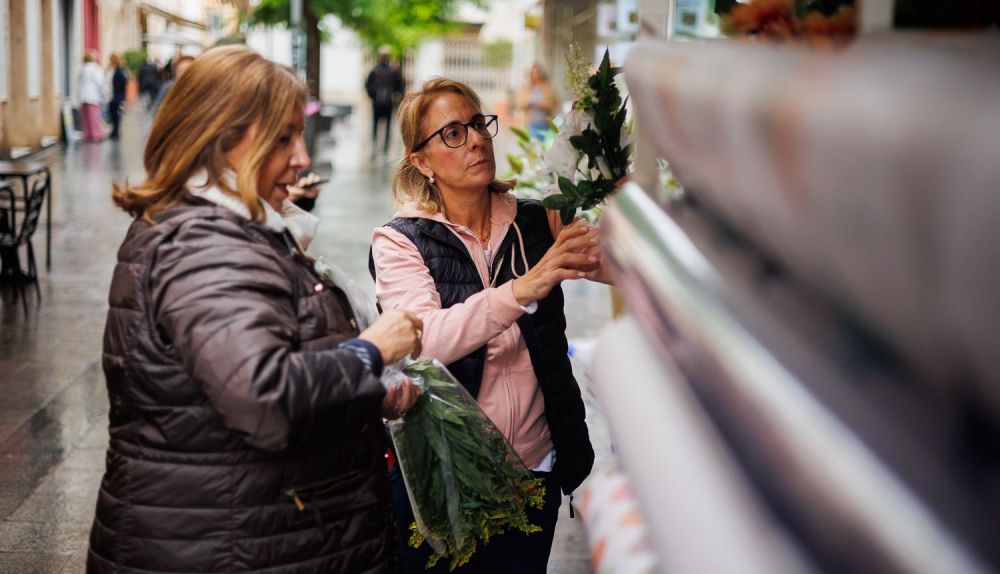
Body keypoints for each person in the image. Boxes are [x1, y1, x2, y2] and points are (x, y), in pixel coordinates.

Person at [87, 45, 424, 573]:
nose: (302, 157)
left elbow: (250, 370)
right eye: (283, 138)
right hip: (229, 545)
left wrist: (365, 395)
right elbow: (264, 398)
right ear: (220, 137)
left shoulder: (217, 230)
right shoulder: (206, 246)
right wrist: (371, 351)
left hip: (249, 534)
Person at [369, 78, 612, 573]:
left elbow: (626, 269)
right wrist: (524, 288)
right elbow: (425, 339)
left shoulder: (537, 221)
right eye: (453, 133)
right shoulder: (400, 241)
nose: (477, 140)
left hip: (533, 470)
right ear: (421, 162)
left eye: (478, 124)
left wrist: (619, 188)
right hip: (445, 472)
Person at [365, 45, 404, 160]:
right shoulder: (375, 70)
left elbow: (400, 85)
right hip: (378, 102)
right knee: (375, 125)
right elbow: (368, 85)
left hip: (387, 102)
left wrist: (397, 97)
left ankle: (385, 149)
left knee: (386, 126)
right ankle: (375, 147)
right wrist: (373, 95)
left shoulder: (392, 71)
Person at [515, 63, 558, 140]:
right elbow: (519, 103)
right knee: (532, 144)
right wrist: (528, 103)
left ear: (541, 74)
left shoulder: (548, 87)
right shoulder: (526, 87)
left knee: (543, 145)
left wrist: (541, 104)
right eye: (533, 73)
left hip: (545, 123)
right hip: (530, 123)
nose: (535, 75)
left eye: (537, 72)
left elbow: (554, 104)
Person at [78, 52, 107, 142]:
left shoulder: (82, 69)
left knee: (86, 118)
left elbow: (79, 84)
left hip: (84, 97)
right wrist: (105, 94)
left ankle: (87, 135)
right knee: (94, 117)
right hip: (93, 96)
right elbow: (100, 83)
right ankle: (96, 135)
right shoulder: (96, 68)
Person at [106, 53, 128, 140]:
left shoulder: (120, 70)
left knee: (116, 115)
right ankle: (114, 132)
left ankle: (116, 132)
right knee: (112, 114)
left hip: (117, 96)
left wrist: (122, 96)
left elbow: (124, 82)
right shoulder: (113, 69)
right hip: (112, 96)